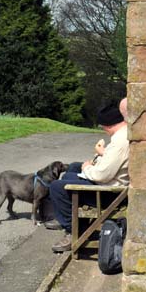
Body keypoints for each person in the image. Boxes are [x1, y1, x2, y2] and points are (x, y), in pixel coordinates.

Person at [46, 98, 129, 253]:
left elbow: (101, 175)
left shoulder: (120, 142)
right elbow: (114, 163)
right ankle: (71, 217)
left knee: (57, 187)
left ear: (108, 125)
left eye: (103, 127)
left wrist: (88, 168)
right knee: (73, 168)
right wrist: (101, 156)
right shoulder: (123, 134)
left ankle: (73, 230)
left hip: (109, 194)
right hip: (112, 185)